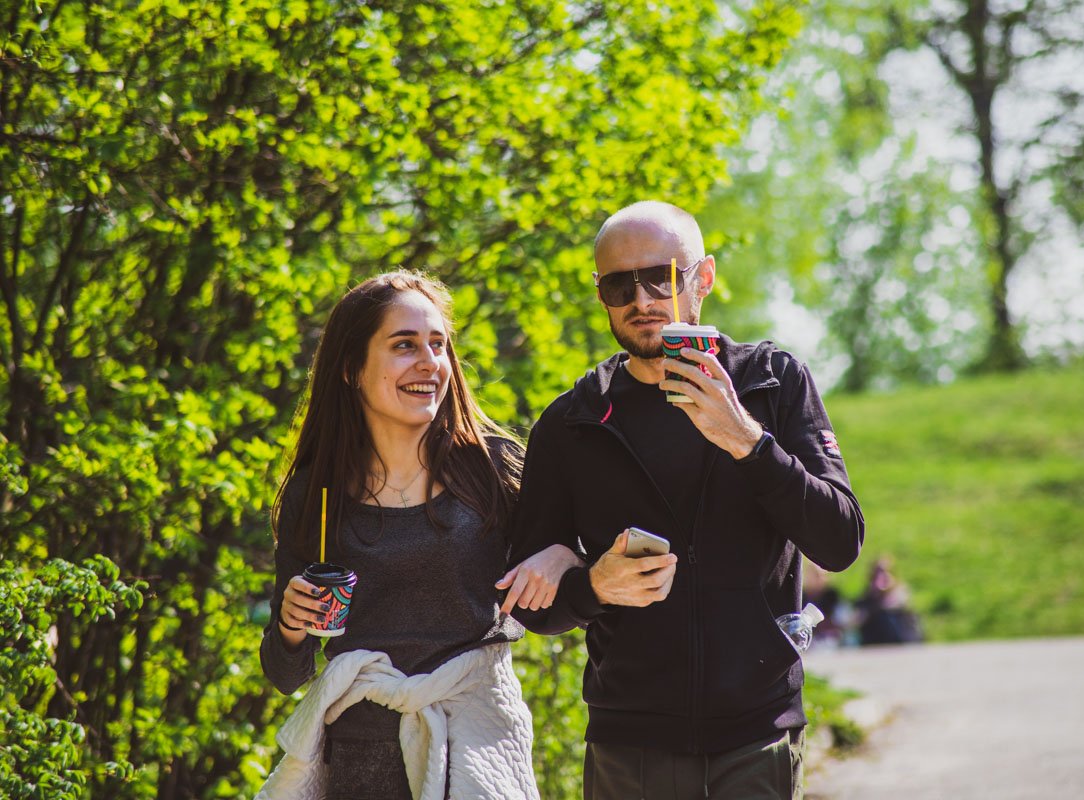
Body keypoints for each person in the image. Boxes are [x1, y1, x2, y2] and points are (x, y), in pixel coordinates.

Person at [504, 201, 866, 799]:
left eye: (660, 277)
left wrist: (746, 441)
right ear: (601, 295)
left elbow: (840, 538)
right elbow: (529, 604)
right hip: (629, 740)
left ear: (703, 279)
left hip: (759, 728)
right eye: (620, 284)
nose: (642, 299)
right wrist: (594, 586)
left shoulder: (772, 383)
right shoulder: (571, 422)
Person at [258, 271, 580, 800]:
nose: (430, 362)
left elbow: (569, 581)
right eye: (404, 345)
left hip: (477, 744)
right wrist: (293, 625)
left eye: (438, 345)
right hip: (357, 757)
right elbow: (285, 670)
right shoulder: (316, 497)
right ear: (350, 367)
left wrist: (563, 554)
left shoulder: (493, 470)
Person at [854, 557, 923, 646]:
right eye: (878, 574)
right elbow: (857, 621)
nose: (883, 577)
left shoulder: (900, 595)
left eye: (886, 572)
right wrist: (874, 600)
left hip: (902, 645)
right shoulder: (866, 600)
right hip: (874, 647)